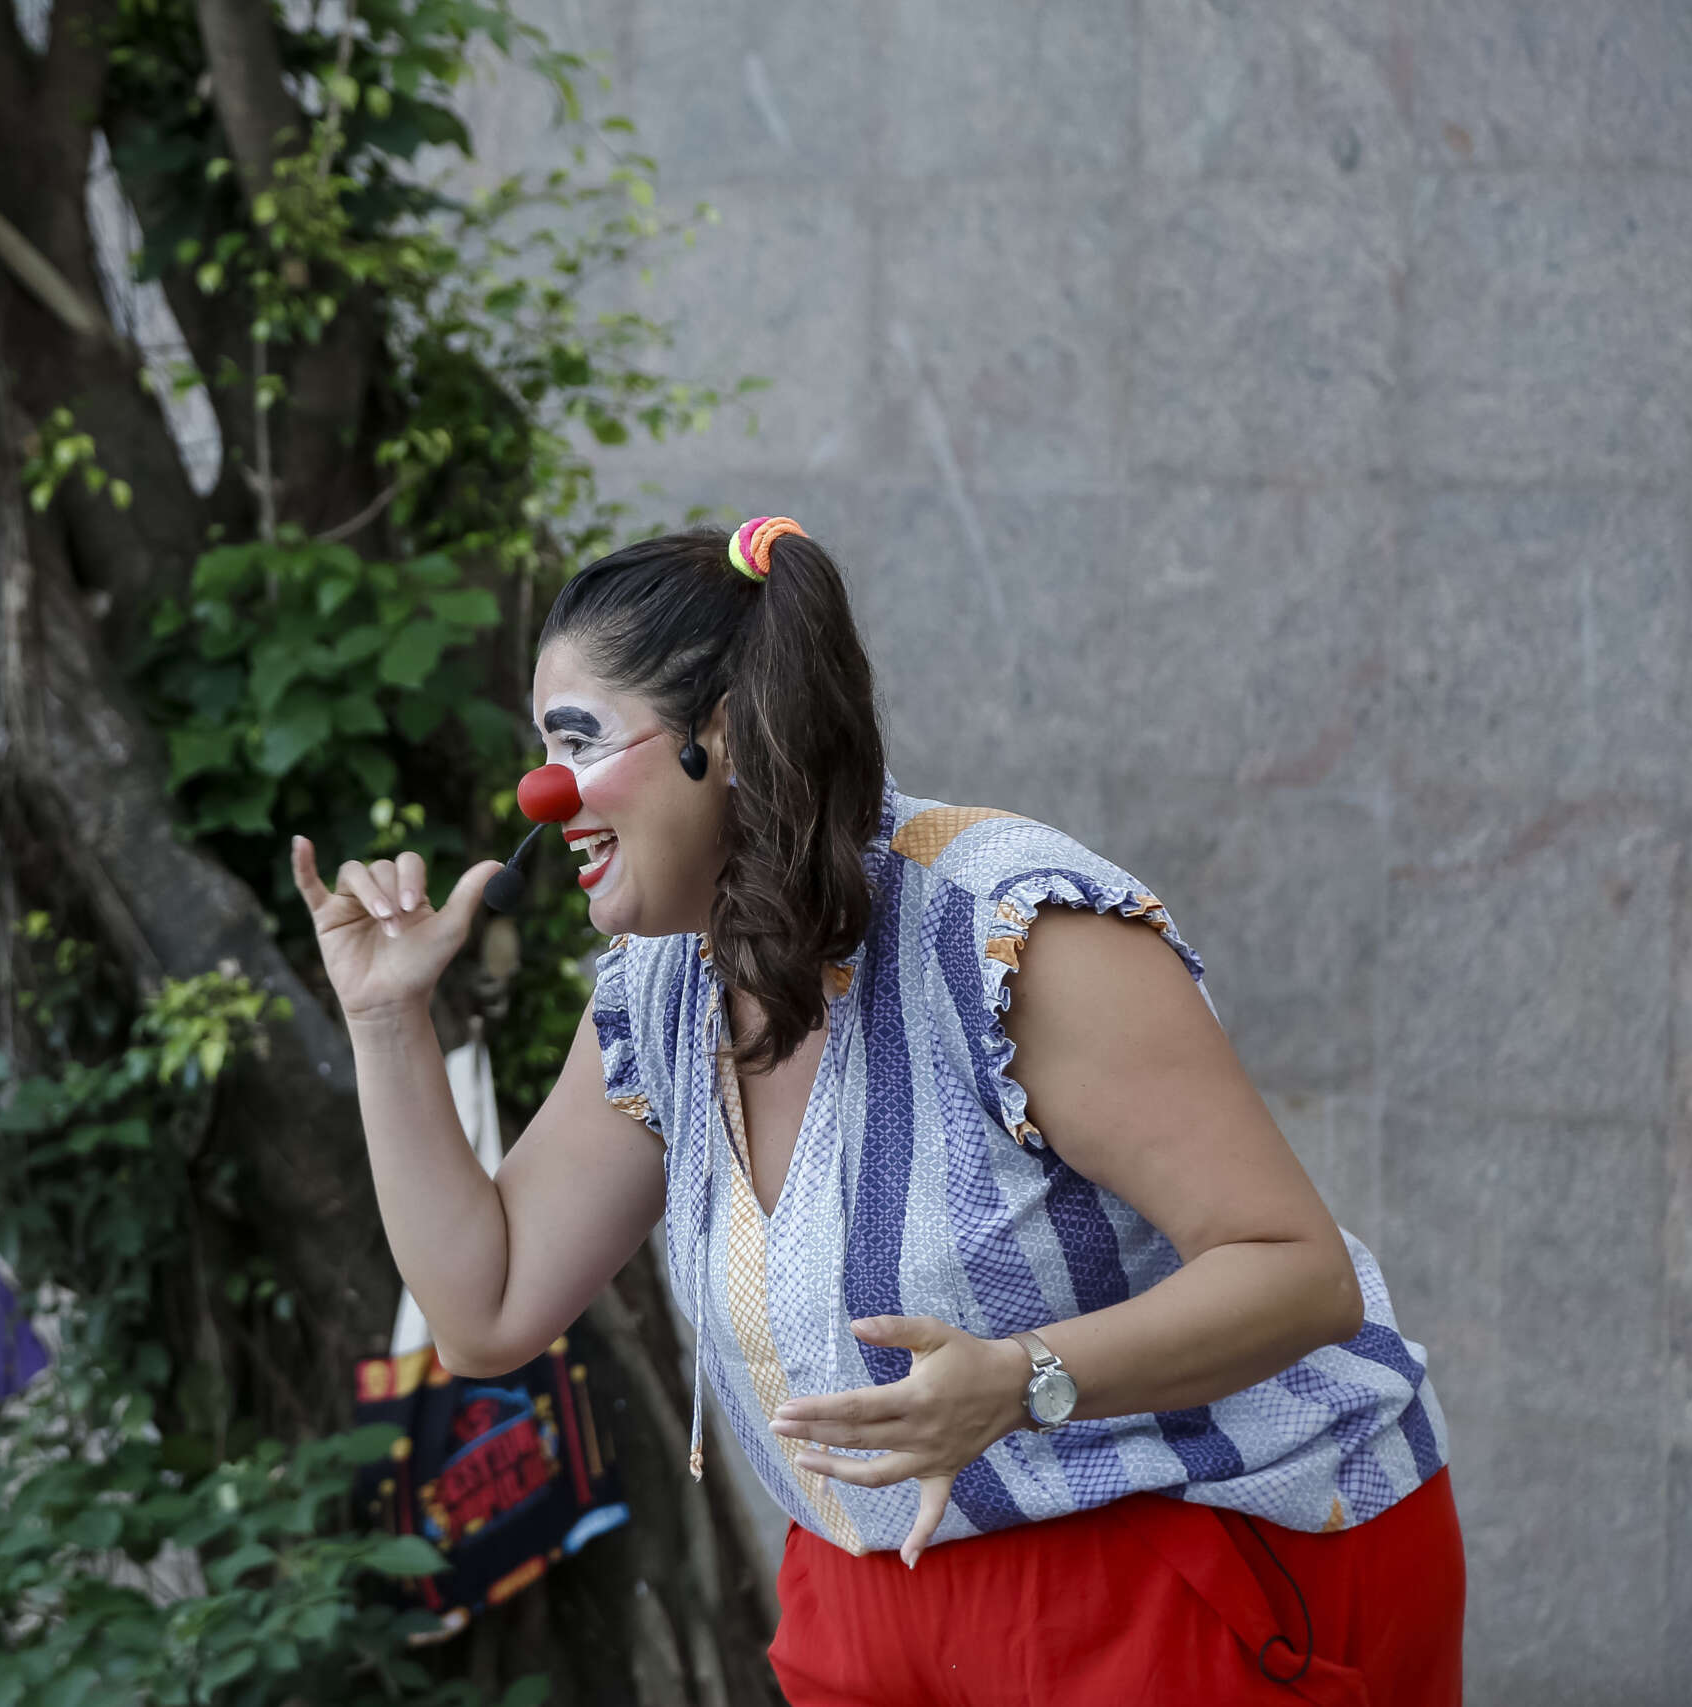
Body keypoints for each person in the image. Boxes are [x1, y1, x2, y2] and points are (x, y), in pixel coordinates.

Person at [289, 517, 1465, 1703]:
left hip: (1188, 1550)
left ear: (721, 736)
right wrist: (385, 1021)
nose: (543, 796)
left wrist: (1022, 1376)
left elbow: (1296, 1274)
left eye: (577, 741)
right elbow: (486, 1312)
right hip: (869, 1592)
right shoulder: (662, 986)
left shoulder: (1008, 929)